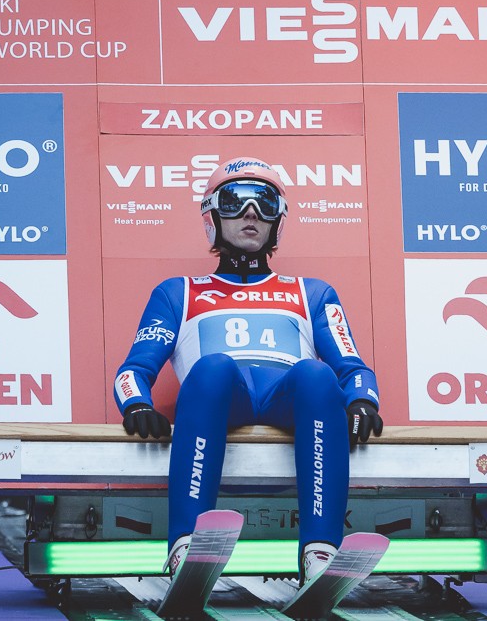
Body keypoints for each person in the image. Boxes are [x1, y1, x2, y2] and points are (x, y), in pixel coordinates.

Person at [112, 156, 382, 584]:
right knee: (213, 368)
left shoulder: (312, 292)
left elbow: (353, 369)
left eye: (265, 202)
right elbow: (133, 370)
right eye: (235, 200)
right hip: (221, 398)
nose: (251, 213)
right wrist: (137, 405)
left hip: (288, 400)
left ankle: (320, 553)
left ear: (279, 220)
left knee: (316, 375)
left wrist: (363, 401)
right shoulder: (178, 292)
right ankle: (187, 548)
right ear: (212, 216)